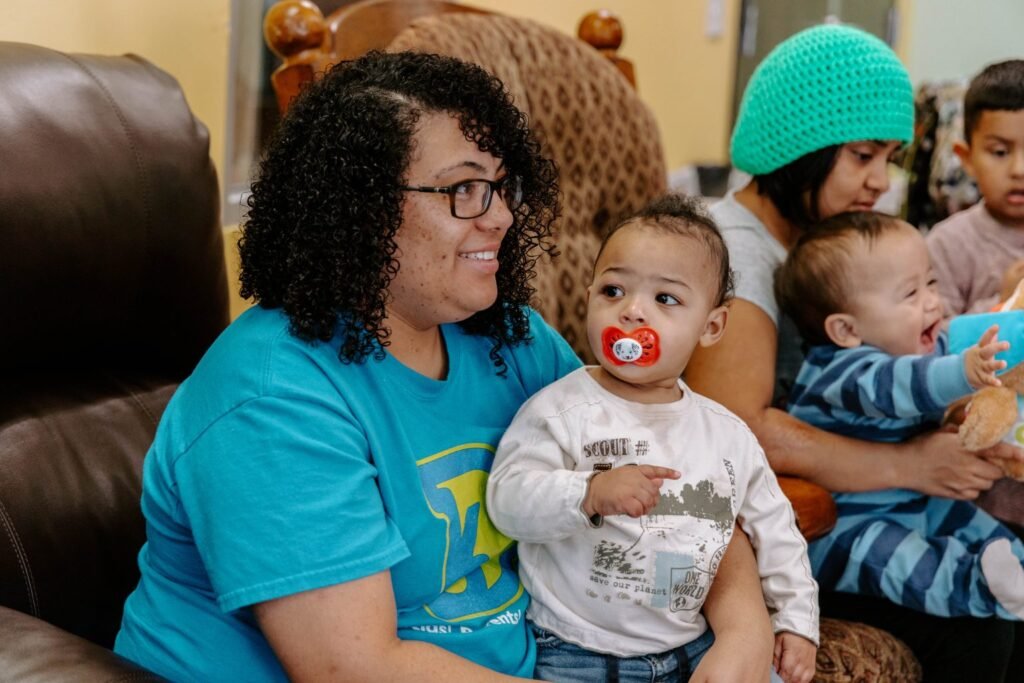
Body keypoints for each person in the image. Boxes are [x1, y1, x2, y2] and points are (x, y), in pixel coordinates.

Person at [113, 51, 772, 682]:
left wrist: (746, 626)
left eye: (501, 187)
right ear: (362, 207)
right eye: (465, 190)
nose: (504, 216)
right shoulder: (269, 397)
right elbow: (356, 668)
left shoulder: (511, 340)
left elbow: (681, 470)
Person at [683, 23, 1024, 682]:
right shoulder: (736, 252)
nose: (880, 182)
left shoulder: (812, 239)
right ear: (796, 148)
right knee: (978, 629)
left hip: (865, 499)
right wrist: (909, 465)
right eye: (862, 155)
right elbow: (740, 425)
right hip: (802, 531)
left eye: (889, 158)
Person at [487, 194, 819, 683]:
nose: (632, 312)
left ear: (712, 326)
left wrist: (796, 621)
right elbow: (506, 500)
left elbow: (777, 531)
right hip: (578, 653)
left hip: (691, 644)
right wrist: (588, 493)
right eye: (614, 291)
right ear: (589, 296)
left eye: (665, 299)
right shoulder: (562, 410)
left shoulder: (726, 435)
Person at [775, 210, 1024, 621]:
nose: (932, 302)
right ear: (846, 331)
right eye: (910, 294)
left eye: (931, 282)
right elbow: (903, 386)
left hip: (913, 499)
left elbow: (960, 343)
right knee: (898, 559)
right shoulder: (840, 371)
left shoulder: (920, 346)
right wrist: (964, 370)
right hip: (845, 524)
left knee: (979, 526)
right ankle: (979, 588)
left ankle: (1013, 570)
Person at [927, 59, 1024, 317]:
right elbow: (931, 341)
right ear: (967, 158)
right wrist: (1004, 302)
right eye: (1000, 152)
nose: (1019, 170)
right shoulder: (947, 245)